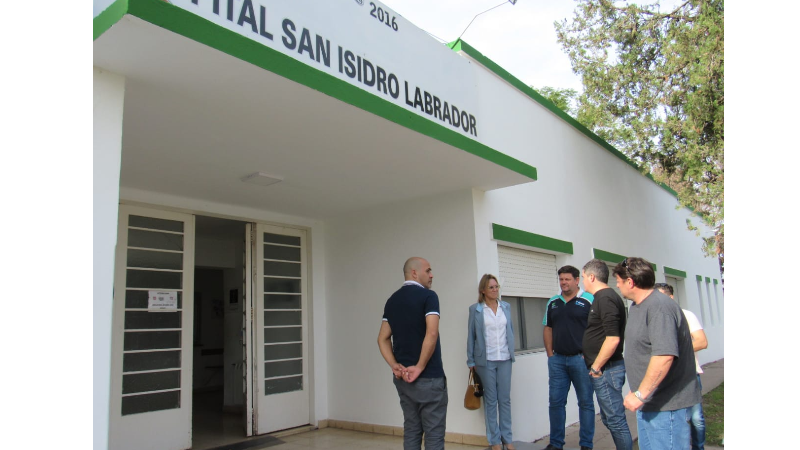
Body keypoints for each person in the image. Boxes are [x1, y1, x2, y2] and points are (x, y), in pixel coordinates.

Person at [615, 258, 701, 450]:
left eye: (619, 281)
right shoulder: (639, 306)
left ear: (630, 282)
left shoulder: (659, 307)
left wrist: (640, 393)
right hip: (649, 402)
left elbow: (664, 356)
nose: (617, 285)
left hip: (666, 406)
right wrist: (638, 389)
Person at [378, 257, 448, 450]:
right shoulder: (429, 296)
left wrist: (394, 365)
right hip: (429, 379)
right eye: (428, 270)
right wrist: (420, 366)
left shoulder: (392, 300)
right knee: (434, 435)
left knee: (412, 430)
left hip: (403, 380)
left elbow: (382, 338)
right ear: (414, 273)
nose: (432, 275)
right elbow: (432, 332)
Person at [582, 260, 633, 450]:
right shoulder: (602, 297)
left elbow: (612, 338)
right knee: (609, 418)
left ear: (592, 277)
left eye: (583, 277)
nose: (582, 282)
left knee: (616, 420)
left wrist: (596, 366)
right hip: (604, 369)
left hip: (607, 370)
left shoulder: (605, 298)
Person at [543, 266, 595, 450]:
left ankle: (586, 445)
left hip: (581, 360)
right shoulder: (553, 302)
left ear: (576, 280)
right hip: (558, 360)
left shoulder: (589, 300)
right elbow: (547, 328)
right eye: (561, 279)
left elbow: (597, 330)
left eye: (567, 279)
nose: (563, 282)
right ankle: (556, 444)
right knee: (556, 402)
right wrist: (550, 355)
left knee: (586, 403)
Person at [656, 283, 708, 450]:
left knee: (696, 418)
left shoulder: (686, 315)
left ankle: (698, 447)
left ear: (671, 297)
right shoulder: (656, 318)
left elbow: (701, 341)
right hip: (664, 377)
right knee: (672, 419)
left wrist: (674, 350)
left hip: (688, 375)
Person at [467, 274, 517, 450]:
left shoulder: (506, 307)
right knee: (491, 400)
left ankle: (507, 439)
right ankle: (494, 441)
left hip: (504, 358)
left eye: (496, 287)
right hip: (485, 361)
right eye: (491, 287)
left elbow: (509, 330)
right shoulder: (476, 310)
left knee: (505, 400)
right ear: (483, 290)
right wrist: (470, 360)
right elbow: (471, 336)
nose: (495, 290)